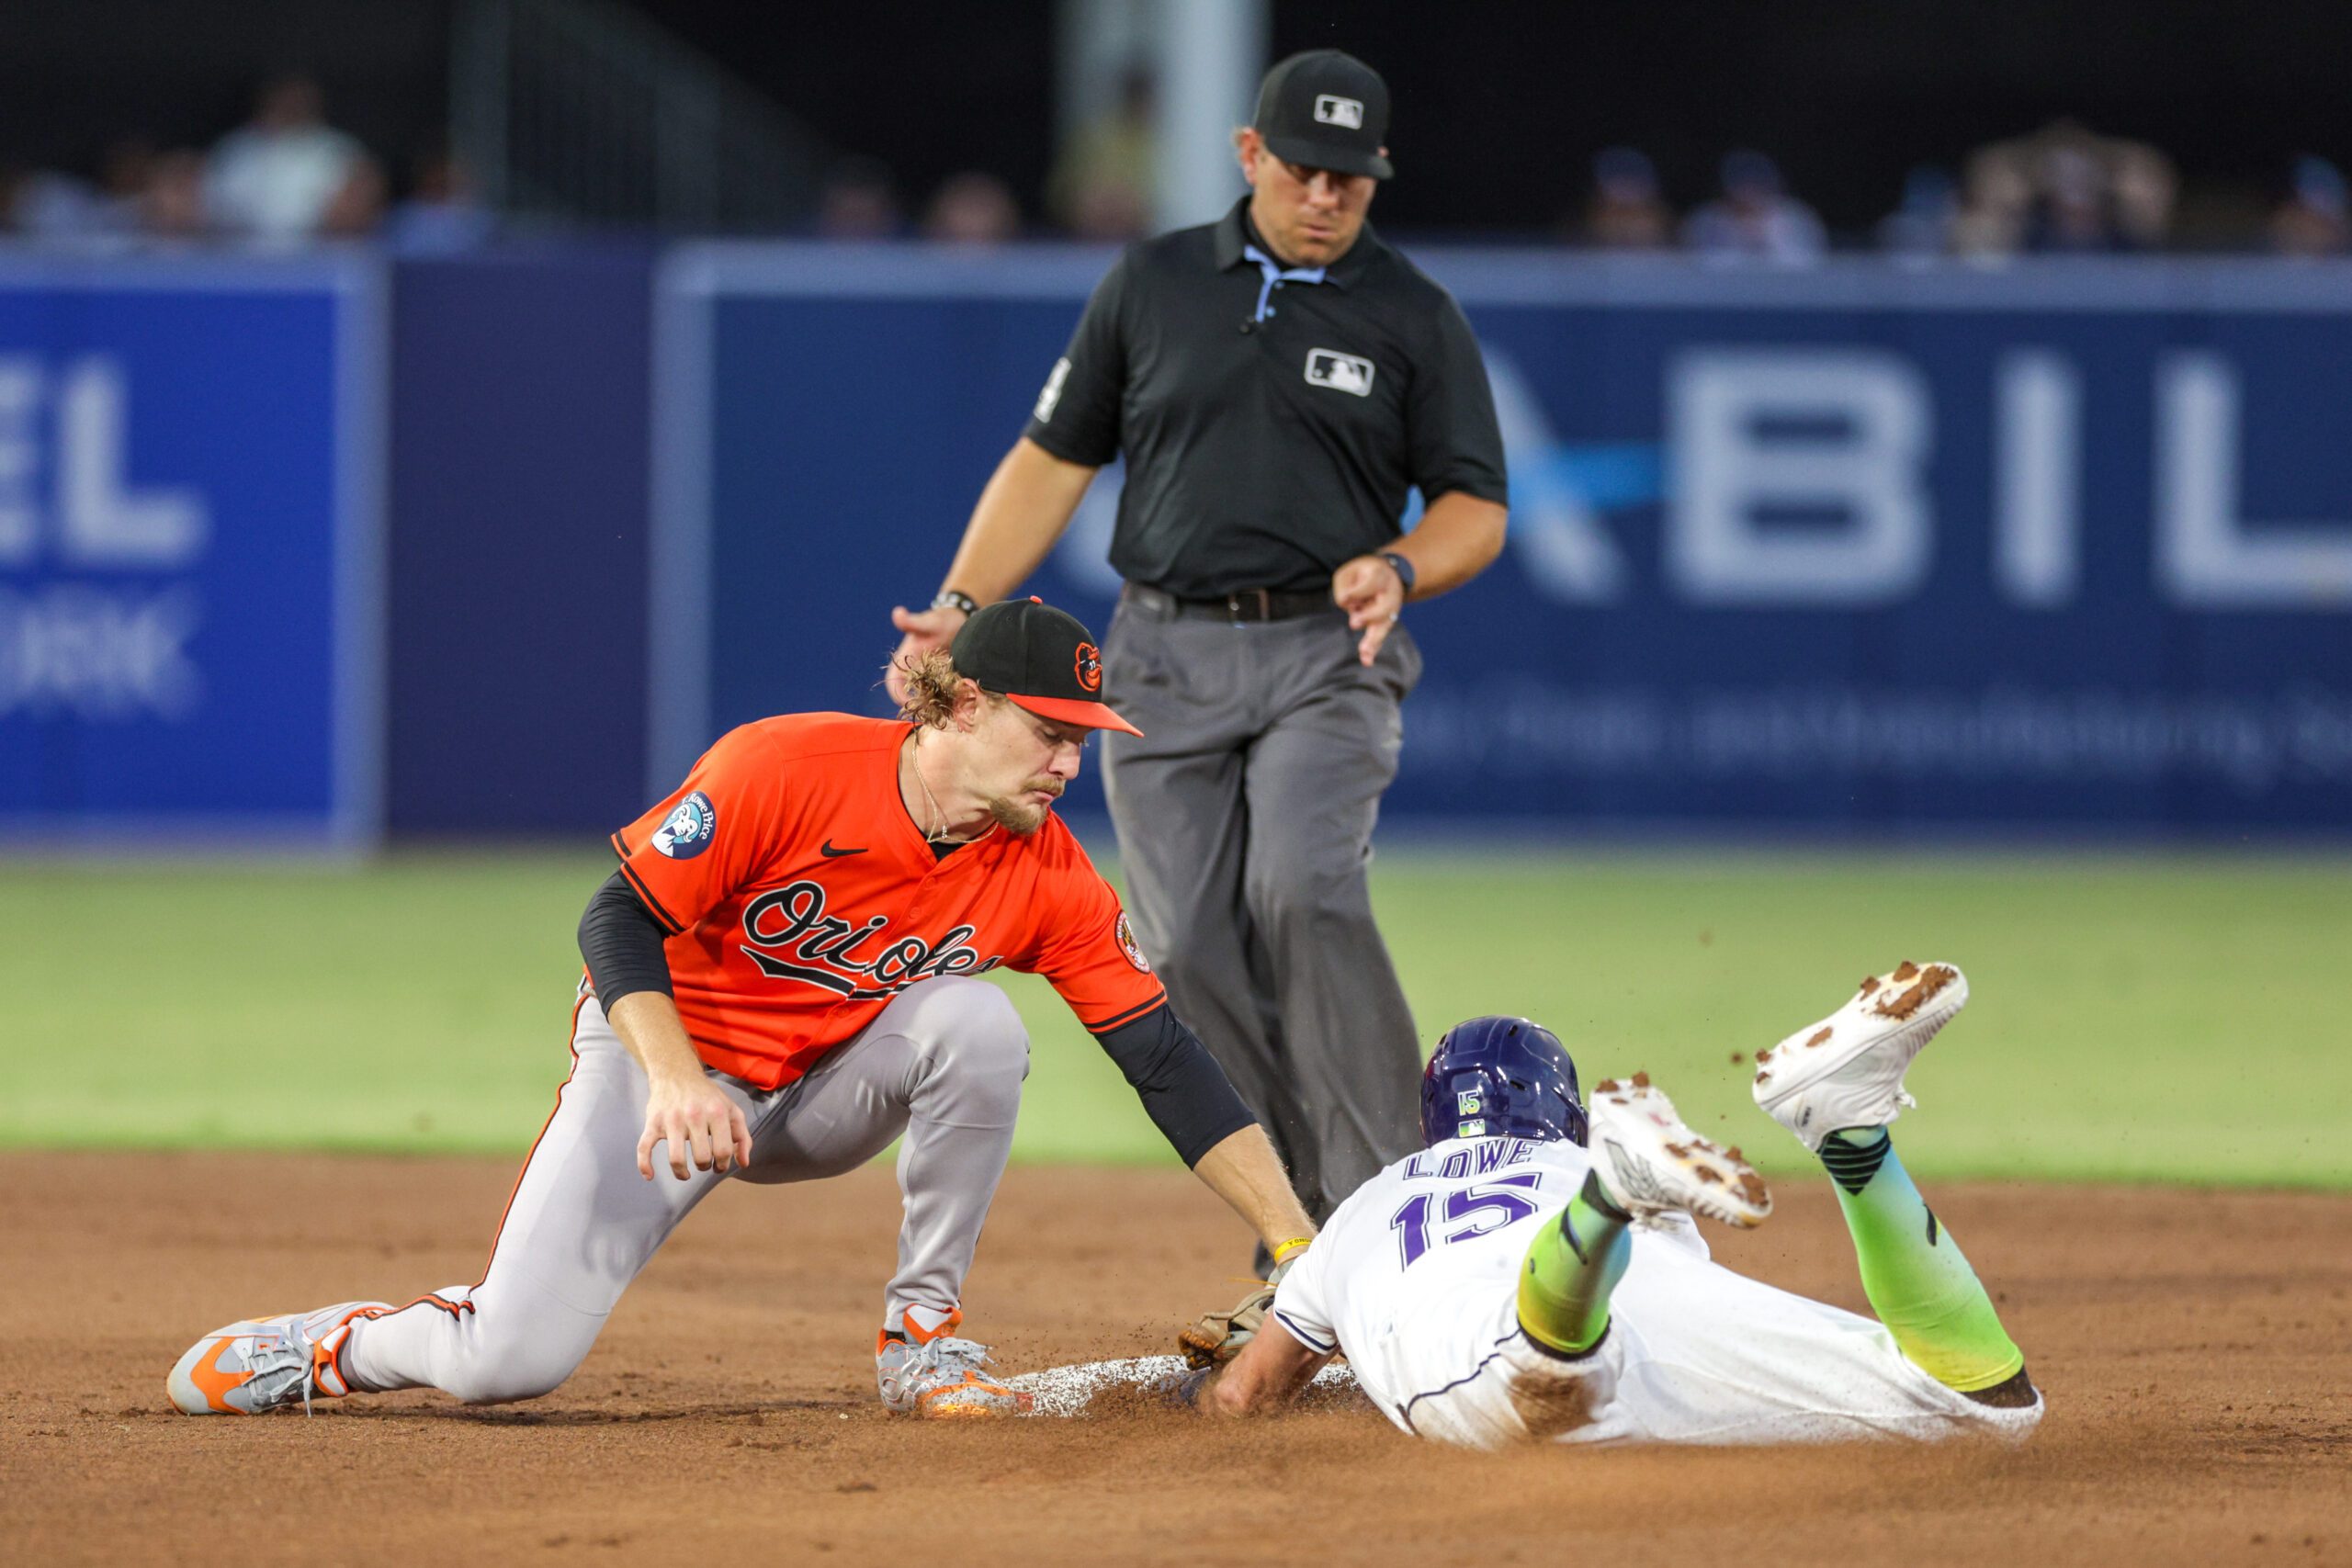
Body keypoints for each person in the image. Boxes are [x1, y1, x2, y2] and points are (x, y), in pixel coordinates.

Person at [166, 600, 1317, 1422]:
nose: (1071, 762)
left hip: (820, 1095)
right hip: (664, 1076)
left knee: (977, 1025)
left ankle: (924, 1344)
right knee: (504, 1365)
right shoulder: (788, 767)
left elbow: (1162, 1057)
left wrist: (1290, 1238)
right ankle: (332, 1348)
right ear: (963, 704)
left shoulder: (1049, 872)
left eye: (1083, 739)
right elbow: (617, 918)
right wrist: (671, 1076)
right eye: (1052, 732)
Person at [886, 50, 1510, 1248]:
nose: (1326, 195)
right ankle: (1299, 1234)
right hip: (1161, 656)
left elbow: (1475, 504)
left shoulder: (1413, 313)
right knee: (1183, 944)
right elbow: (1053, 457)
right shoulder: (1155, 283)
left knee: (1304, 889)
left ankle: (1399, 1212)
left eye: (1352, 177)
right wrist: (964, 601)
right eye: (1304, 168)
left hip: (1328, 653)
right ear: (1248, 155)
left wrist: (1401, 565)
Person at [1193, 961, 2044, 1449]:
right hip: (1644, 1294)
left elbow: (1245, 1397)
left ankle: (1607, 1203)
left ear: (1431, 1124)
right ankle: (1851, 1137)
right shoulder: (1558, 1155)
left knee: (1546, 1372)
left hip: (1501, 1344)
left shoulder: (1364, 1208)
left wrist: (1196, 1396)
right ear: (1565, 1113)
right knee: (1986, 1409)